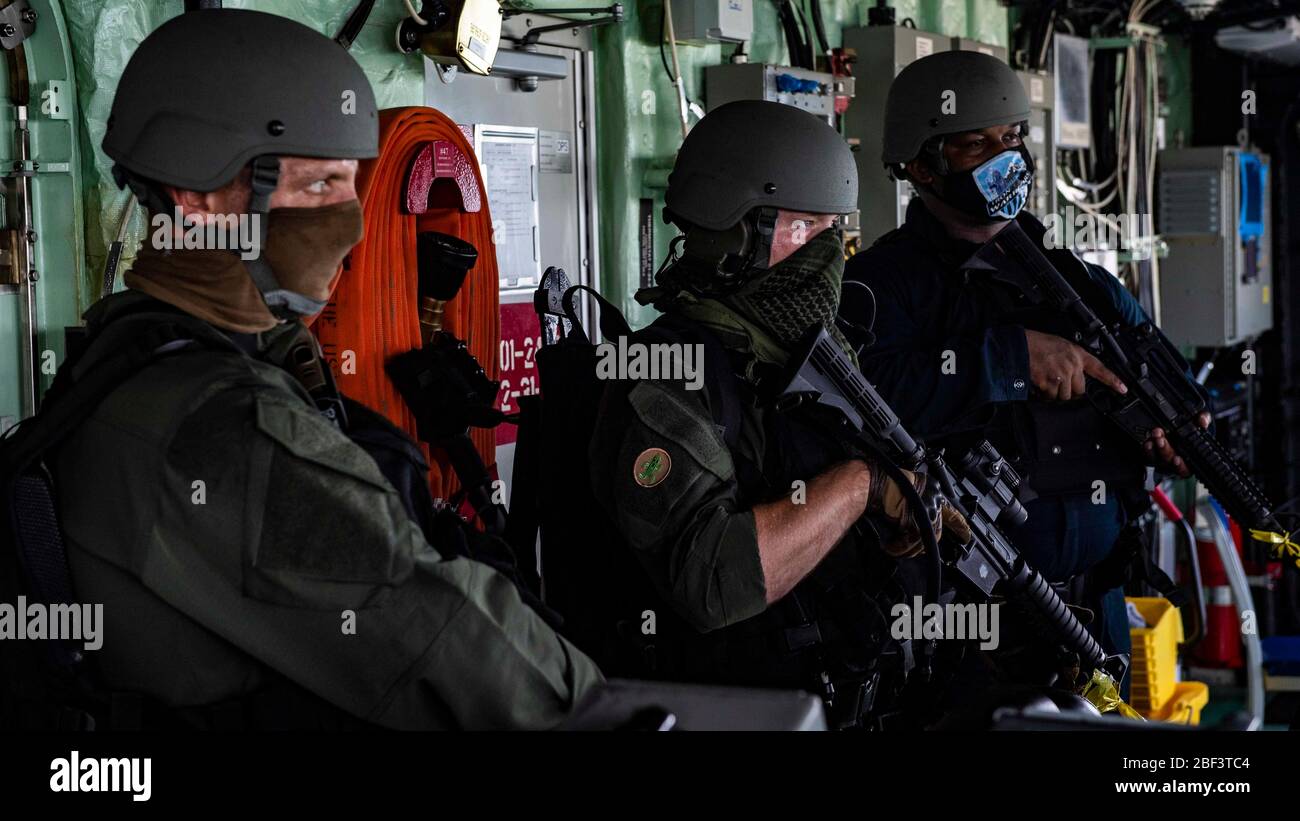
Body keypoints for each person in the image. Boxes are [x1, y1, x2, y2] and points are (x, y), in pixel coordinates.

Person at [18, 9, 599, 730]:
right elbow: (450, 647)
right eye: (322, 184)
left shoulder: (118, 361)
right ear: (199, 197)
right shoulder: (229, 426)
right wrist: (619, 711)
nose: (352, 222)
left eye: (351, 183)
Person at [585, 100, 968, 729]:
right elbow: (713, 583)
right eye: (807, 230)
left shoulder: (802, 354)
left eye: (834, 231)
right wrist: (859, 486)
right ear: (736, 231)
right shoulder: (661, 374)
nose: (831, 255)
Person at [842, 50, 1208, 661]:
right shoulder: (878, 284)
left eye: (1012, 137)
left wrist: (1167, 435)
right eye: (975, 144)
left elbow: (1152, 375)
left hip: (1097, 606)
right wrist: (1010, 360)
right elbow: (861, 397)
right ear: (921, 166)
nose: (1005, 157)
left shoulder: (1082, 283)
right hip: (967, 621)